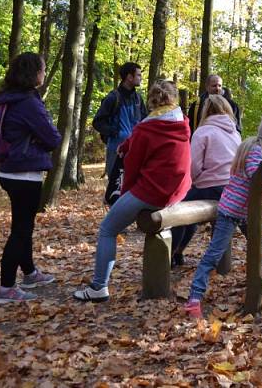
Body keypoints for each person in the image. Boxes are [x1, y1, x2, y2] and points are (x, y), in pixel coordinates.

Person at [74, 80, 191, 302]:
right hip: (178, 190)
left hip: (154, 191)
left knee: (107, 229)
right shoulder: (182, 123)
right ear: (173, 99)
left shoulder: (145, 128)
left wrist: (123, 196)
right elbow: (146, 145)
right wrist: (129, 144)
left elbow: (132, 167)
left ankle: (99, 287)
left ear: (151, 101)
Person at [184, 110, 262, 318]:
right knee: (213, 255)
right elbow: (259, 178)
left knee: (258, 243)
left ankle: (259, 272)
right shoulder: (255, 152)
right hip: (231, 211)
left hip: (246, 212)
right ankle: (194, 298)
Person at [0, 52, 62, 303]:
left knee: (23, 225)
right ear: (33, 73)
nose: (43, 73)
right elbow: (52, 138)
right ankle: (6, 288)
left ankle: (29, 272)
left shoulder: (8, 99)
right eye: (42, 69)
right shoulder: (28, 103)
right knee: (21, 230)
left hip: (11, 170)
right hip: (25, 173)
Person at [170, 94, 241, 267]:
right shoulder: (235, 133)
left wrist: (196, 180)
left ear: (205, 112)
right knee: (190, 212)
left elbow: (193, 167)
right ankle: (178, 253)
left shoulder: (203, 132)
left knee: (178, 211)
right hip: (231, 188)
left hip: (210, 186)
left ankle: (170, 254)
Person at [93, 62, 147, 176]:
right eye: (138, 75)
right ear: (129, 77)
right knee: (115, 186)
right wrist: (114, 132)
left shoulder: (138, 99)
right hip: (116, 151)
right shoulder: (113, 98)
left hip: (136, 150)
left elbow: (145, 122)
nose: (140, 78)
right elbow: (97, 122)